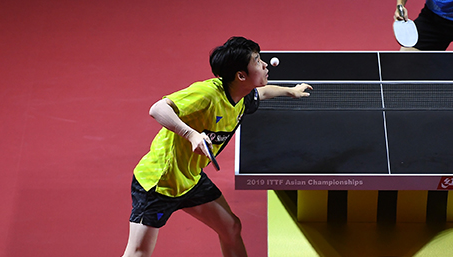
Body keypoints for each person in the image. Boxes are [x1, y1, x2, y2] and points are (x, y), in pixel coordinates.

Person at [121, 36, 311, 257]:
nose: (265, 64)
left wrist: (292, 91)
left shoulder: (242, 95)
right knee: (138, 253)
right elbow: (158, 109)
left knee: (231, 227)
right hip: (160, 183)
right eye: (258, 61)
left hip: (190, 178)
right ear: (241, 75)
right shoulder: (207, 94)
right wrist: (190, 135)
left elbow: (262, 93)